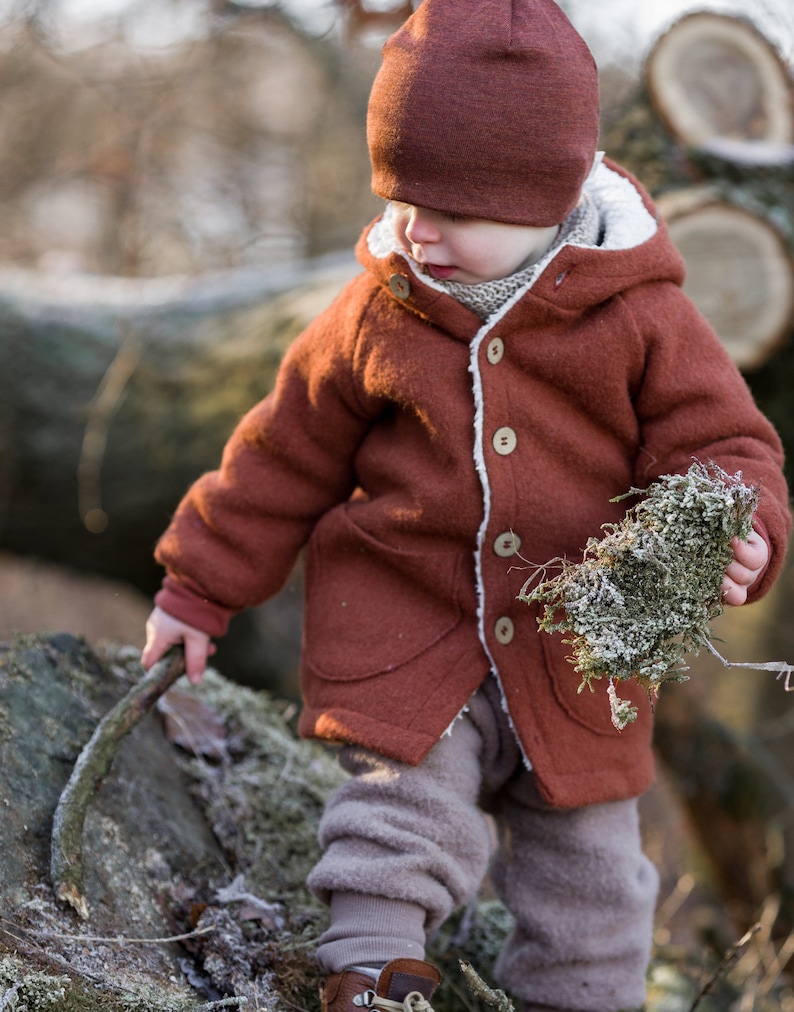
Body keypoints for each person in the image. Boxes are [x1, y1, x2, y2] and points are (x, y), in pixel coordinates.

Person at [141, 1, 791, 1009]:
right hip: (414, 625)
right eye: (403, 200)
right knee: (399, 814)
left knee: (593, 876)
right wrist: (195, 588)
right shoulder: (379, 307)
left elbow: (726, 443)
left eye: (459, 214)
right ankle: (371, 968)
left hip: (579, 643)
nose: (421, 232)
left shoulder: (641, 314)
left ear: (554, 195)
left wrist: (741, 525)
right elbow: (282, 454)